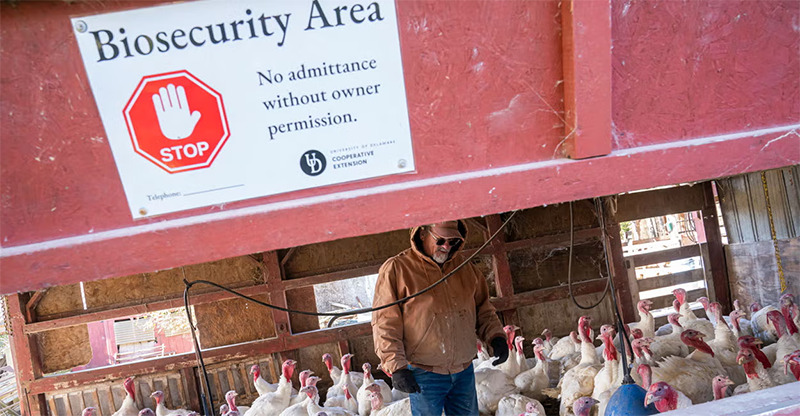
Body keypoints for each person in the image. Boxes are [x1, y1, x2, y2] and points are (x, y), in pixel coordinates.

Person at [372, 220, 509, 415]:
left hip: (463, 369)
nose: (446, 246)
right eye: (441, 240)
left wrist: (496, 336)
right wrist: (396, 366)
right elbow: (385, 322)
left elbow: (483, 308)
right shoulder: (398, 269)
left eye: (453, 241)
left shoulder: (465, 268)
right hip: (424, 371)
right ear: (422, 234)